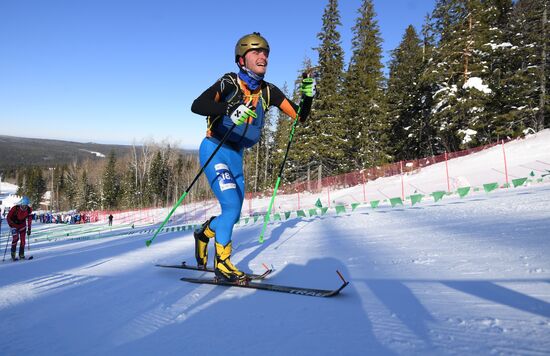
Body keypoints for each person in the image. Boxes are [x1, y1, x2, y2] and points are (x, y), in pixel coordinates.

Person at [190, 32, 315, 282]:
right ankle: (223, 263)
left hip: (236, 156)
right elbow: (198, 105)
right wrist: (229, 108)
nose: (263, 56)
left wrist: (308, 95)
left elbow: (300, 116)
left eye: (265, 52)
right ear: (241, 60)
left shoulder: (268, 92)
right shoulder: (229, 83)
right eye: (256, 52)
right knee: (232, 207)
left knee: (233, 214)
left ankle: (204, 234)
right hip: (214, 149)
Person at [6, 196, 33, 260]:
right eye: (23, 205)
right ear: (21, 204)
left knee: (23, 241)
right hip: (14, 225)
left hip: (22, 226)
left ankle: (21, 254)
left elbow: (29, 220)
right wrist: (10, 224)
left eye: (26, 206)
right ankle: (13, 254)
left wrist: (29, 229)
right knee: (16, 238)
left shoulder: (29, 210)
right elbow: (8, 217)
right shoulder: (15, 208)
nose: (24, 207)